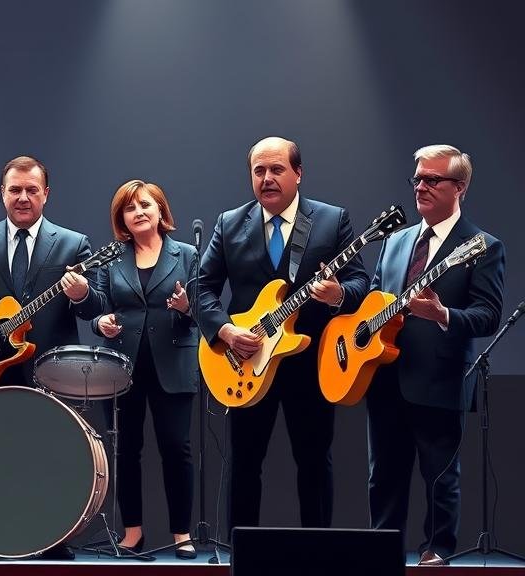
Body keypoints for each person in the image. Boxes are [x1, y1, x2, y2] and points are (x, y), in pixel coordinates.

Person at [197, 137, 369, 532]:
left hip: (308, 362)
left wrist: (339, 294)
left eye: (277, 169)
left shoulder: (332, 219)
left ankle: (318, 552)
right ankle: (243, 554)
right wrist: (225, 330)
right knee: (243, 464)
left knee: (313, 461)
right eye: (259, 171)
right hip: (245, 360)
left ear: (298, 174)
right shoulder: (229, 223)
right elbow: (201, 287)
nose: (267, 178)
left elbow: (360, 279)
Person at [0, 155, 105, 560]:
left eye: (32, 190)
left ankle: (52, 539)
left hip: (51, 372)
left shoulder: (74, 244)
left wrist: (82, 294)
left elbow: (96, 306)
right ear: (2, 194)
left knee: (50, 460)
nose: (23, 197)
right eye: (15, 190)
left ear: (46, 194)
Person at [366, 145, 504, 566]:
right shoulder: (397, 241)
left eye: (432, 180)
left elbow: (488, 316)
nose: (420, 187)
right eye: (417, 179)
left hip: (441, 381)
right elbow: (375, 295)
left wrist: (442, 313)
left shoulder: (480, 246)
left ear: (459, 188)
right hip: (385, 375)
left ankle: (437, 551)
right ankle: (381, 553)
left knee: (439, 477)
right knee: (383, 476)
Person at [92, 180, 199, 558]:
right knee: (125, 450)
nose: (138, 212)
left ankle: (182, 535)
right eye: (129, 208)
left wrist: (188, 307)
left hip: (173, 363)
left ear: (160, 211)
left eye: (145, 205)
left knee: (177, 448)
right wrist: (101, 323)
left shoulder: (187, 255)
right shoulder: (110, 258)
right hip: (123, 366)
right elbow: (98, 308)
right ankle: (132, 532)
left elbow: (204, 313)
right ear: (122, 218)